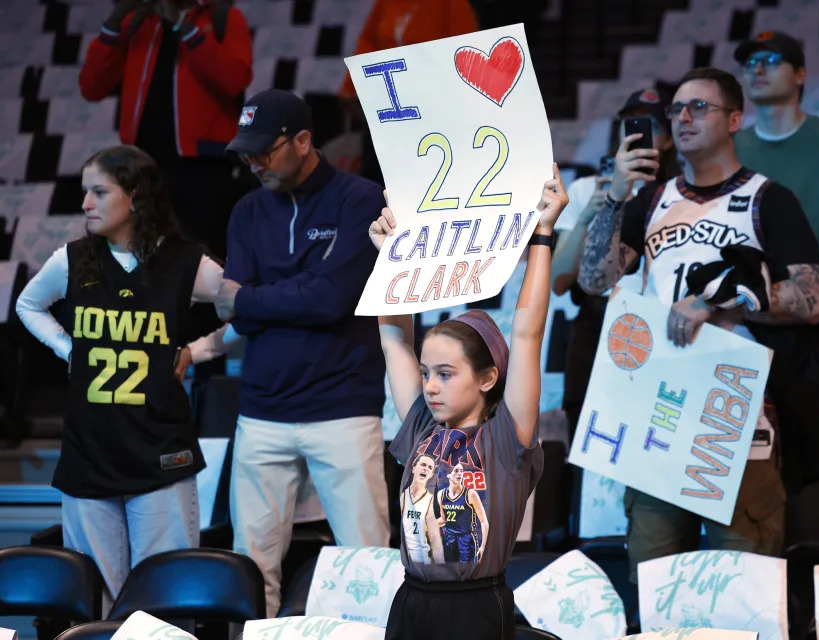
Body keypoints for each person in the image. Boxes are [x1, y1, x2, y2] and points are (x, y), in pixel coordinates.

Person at [578, 68, 819, 580]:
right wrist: (613, 195)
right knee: (655, 581)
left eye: (699, 107)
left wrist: (720, 303)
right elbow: (592, 279)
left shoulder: (768, 199)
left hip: (736, 412)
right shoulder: (649, 200)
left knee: (745, 585)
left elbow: (811, 298)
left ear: (735, 119)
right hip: (659, 411)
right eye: (677, 110)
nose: (684, 117)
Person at [14, 145, 226, 600]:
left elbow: (245, 308)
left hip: (160, 454)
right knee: (96, 599)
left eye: (99, 192)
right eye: (84, 193)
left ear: (135, 197)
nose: (86, 204)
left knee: (168, 595)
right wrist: (66, 346)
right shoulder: (72, 259)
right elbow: (27, 304)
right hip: (90, 453)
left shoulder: (184, 261)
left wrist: (197, 350)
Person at [214, 89, 391, 617]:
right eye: (246, 154)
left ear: (305, 140)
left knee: (368, 561)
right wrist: (260, 300)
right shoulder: (246, 210)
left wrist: (253, 298)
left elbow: (330, 299)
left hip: (344, 405)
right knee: (250, 563)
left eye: (264, 152)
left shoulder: (361, 199)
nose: (253, 164)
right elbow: (234, 312)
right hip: (262, 410)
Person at [372, 165, 568, 639]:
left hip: (474, 610)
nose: (430, 387)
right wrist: (393, 258)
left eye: (445, 374)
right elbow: (394, 341)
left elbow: (527, 331)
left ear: (487, 378)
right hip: (411, 604)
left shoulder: (507, 437)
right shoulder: (422, 425)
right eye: (425, 374)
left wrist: (542, 234)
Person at [733, 31, 819, 432]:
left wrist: (805, 291)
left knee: (809, 441)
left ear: (801, 74)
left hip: (814, 314)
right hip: (742, 311)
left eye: (772, 60)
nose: (757, 68)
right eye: (749, 62)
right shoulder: (730, 145)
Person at [79, 0, 253, 259]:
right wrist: (115, 21)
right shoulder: (136, 23)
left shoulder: (223, 17)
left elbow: (235, 78)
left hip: (204, 169)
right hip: (142, 169)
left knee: (206, 262)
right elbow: (91, 87)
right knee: (146, 262)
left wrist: (184, 26)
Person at [551, 87, 678, 438]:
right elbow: (558, 282)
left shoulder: (680, 193)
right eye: (631, 122)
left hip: (655, 327)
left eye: (653, 124)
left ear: (668, 138)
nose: (639, 133)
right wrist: (586, 216)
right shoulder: (585, 189)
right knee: (585, 437)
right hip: (595, 323)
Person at [338, 0, 479, 185]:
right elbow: (368, 43)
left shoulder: (451, 4)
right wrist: (350, 86)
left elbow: (466, 50)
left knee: (423, 170)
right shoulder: (386, 3)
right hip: (386, 101)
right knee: (378, 171)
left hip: (433, 106)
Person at [436, 461, 489, 563]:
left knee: (466, 574)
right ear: (448, 475)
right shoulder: (441, 495)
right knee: (450, 574)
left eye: (461, 471)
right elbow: (444, 519)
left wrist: (483, 546)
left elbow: (484, 521)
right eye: (456, 471)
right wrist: (426, 526)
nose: (460, 474)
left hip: (466, 539)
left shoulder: (470, 494)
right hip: (449, 539)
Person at [401, 454, 445, 564]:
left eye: (430, 468)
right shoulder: (403, 495)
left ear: (430, 475)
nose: (426, 469)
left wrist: (442, 567)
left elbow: (435, 538)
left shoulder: (429, 500)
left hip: (420, 560)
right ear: (413, 468)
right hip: (404, 558)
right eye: (423, 465)